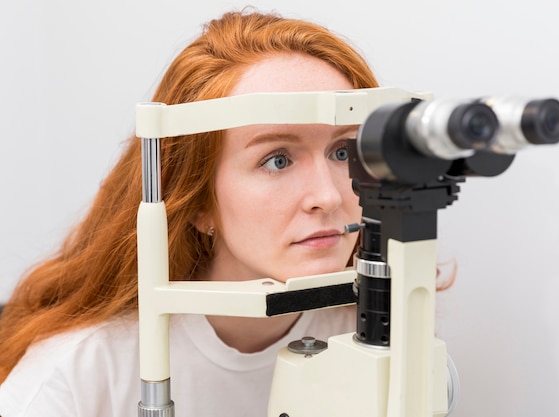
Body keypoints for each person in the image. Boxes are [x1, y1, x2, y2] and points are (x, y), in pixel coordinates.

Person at [0, 9, 452, 417]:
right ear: (198, 203)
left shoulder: (378, 330)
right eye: (277, 159)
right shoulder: (76, 377)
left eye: (342, 151)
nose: (328, 197)